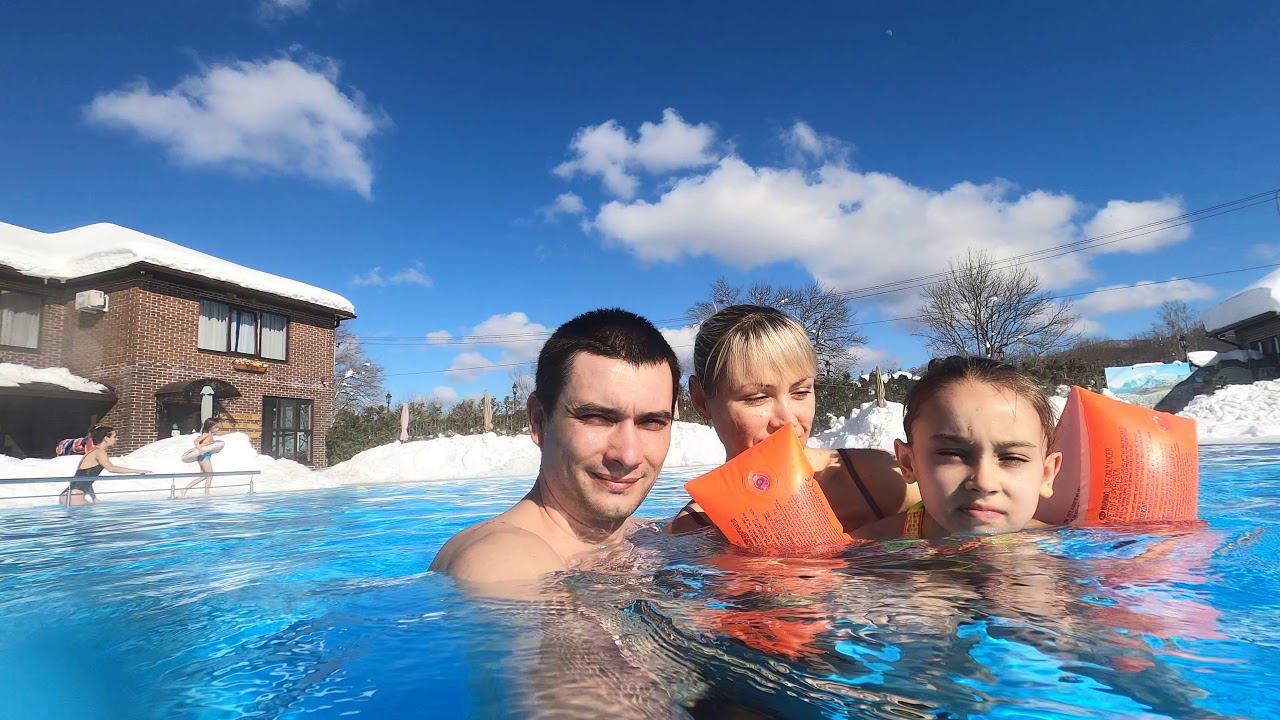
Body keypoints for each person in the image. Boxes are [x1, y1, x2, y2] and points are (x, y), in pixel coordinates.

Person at [431, 308, 681, 585]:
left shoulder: (647, 534)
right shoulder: (500, 558)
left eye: (651, 422)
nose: (629, 455)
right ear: (539, 421)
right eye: (596, 417)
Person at [670, 304, 918, 535]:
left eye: (801, 392)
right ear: (701, 400)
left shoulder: (881, 479)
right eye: (757, 397)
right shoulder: (694, 529)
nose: (788, 420)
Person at [854, 355, 1061, 541]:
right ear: (909, 463)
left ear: (1046, 475)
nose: (984, 482)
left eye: (1013, 458)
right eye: (952, 454)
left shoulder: (1064, 549)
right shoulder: (864, 551)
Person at [60, 425, 151, 506]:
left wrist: (93, 497)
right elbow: (111, 468)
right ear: (106, 438)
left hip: (69, 495)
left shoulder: (91, 452)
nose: (116, 439)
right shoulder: (99, 452)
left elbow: (85, 477)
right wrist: (136, 471)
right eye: (114, 437)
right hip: (74, 496)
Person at [180, 418, 220, 498]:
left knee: (204, 476)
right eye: (216, 427)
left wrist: (215, 450)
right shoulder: (206, 434)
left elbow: (208, 446)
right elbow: (196, 441)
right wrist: (200, 450)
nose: (217, 429)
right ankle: (206, 494)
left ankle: (185, 489)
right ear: (210, 427)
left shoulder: (211, 435)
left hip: (207, 456)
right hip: (204, 457)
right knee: (210, 475)